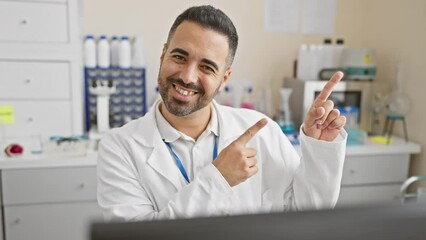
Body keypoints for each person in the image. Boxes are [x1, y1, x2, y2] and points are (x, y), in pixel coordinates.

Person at [97, 5, 347, 222]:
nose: (187, 76)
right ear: (163, 55)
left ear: (224, 78)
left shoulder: (262, 131)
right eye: (179, 57)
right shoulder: (120, 147)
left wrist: (319, 149)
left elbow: (306, 214)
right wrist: (217, 180)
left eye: (207, 67)